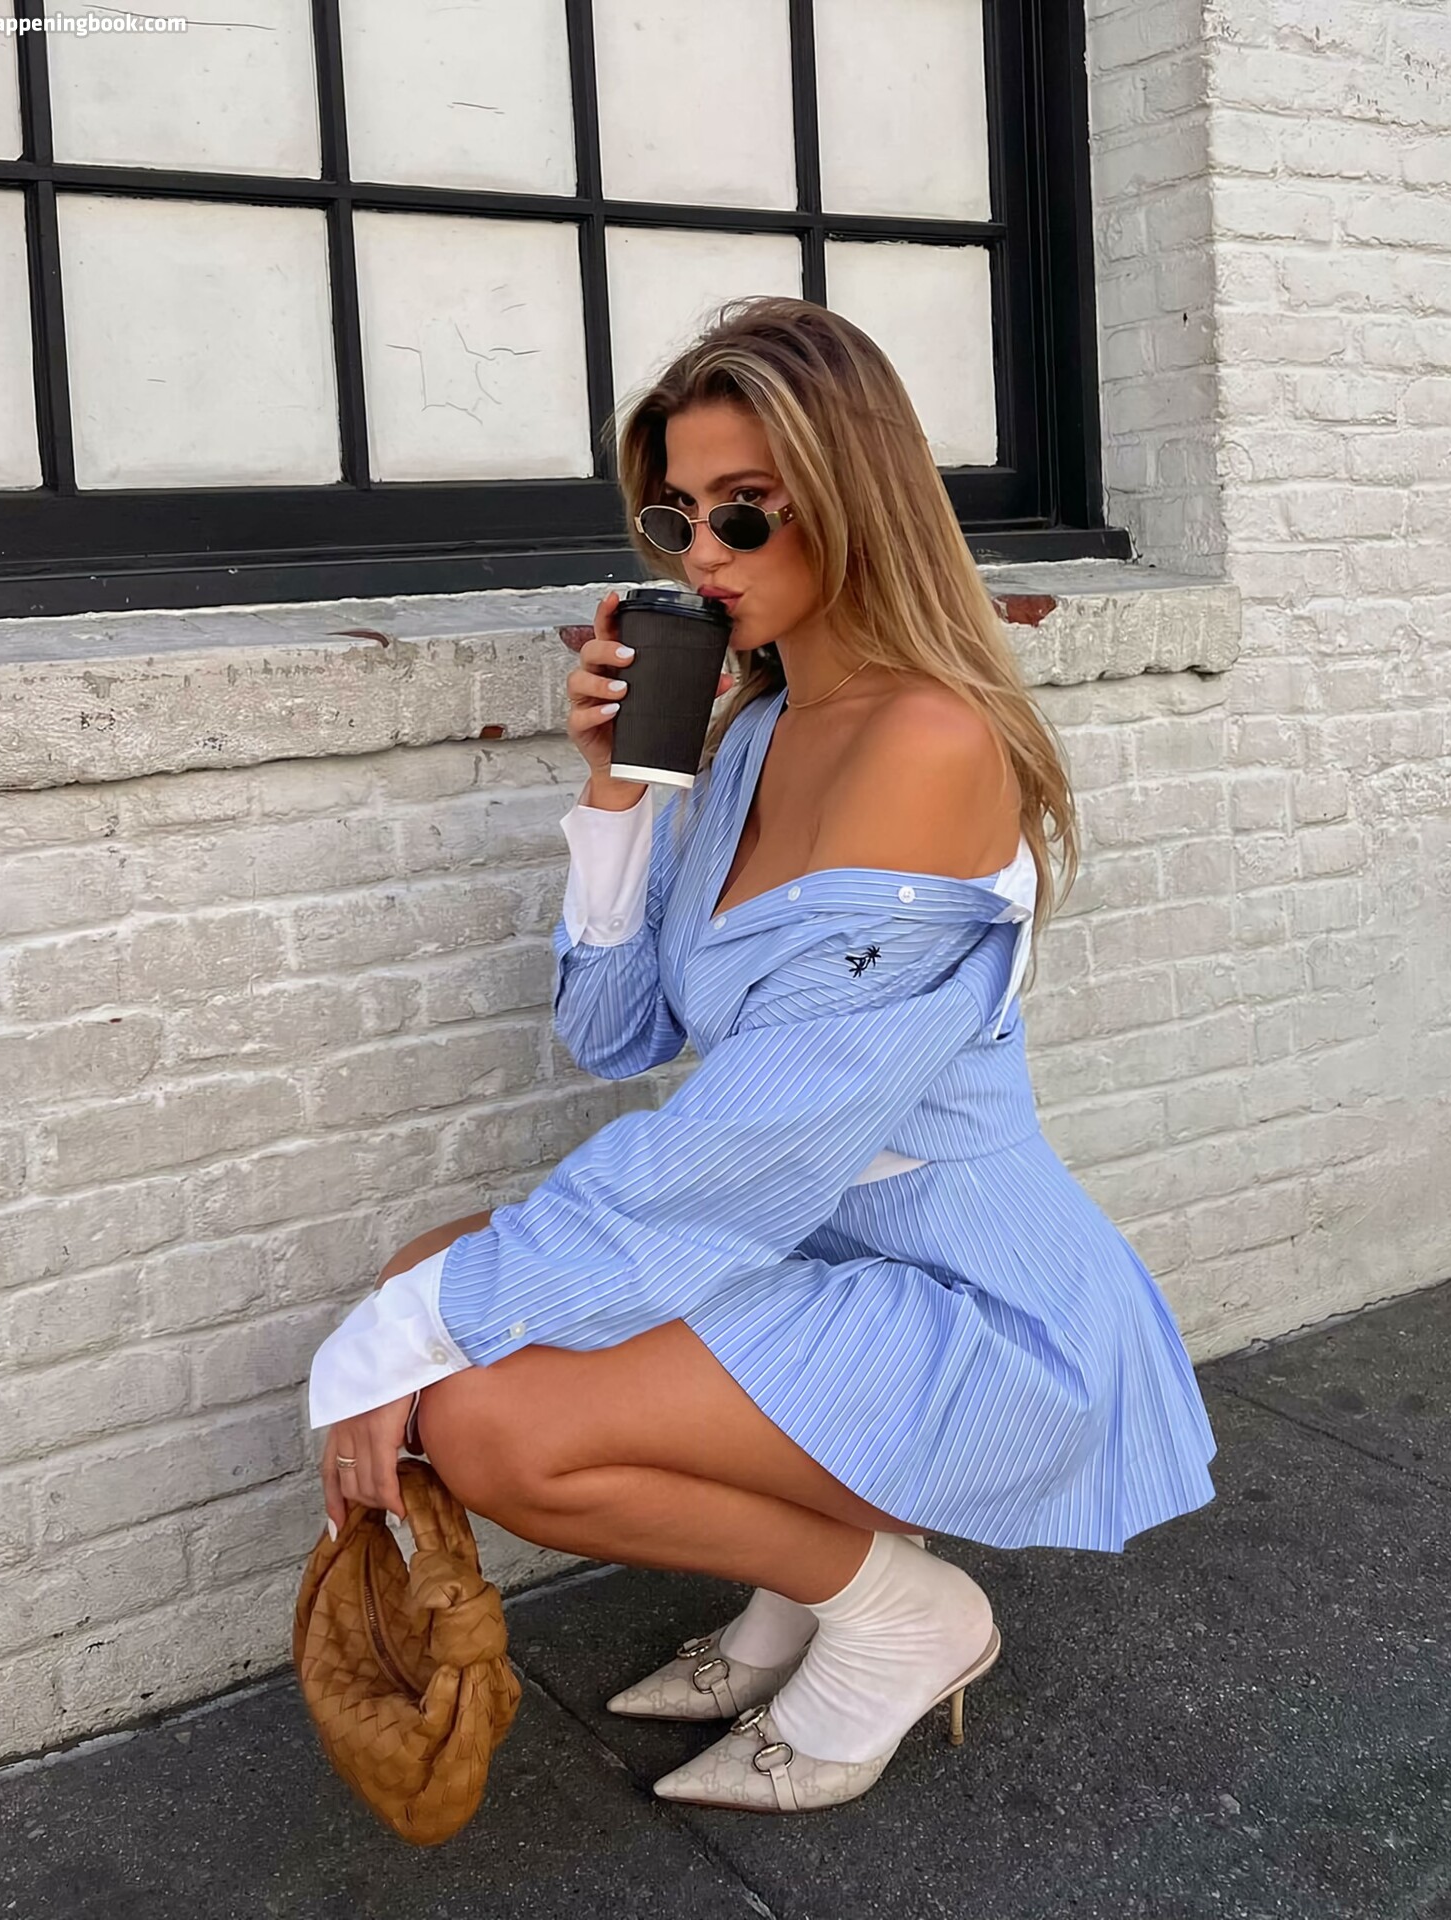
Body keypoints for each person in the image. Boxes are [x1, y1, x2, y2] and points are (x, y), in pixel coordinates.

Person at [307, 295, 1217, 1815]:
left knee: (481, 1417)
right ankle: (803, 1591)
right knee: (435, 1270)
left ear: (857, 499)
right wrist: (620, 798)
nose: (703, 559)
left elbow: (745, 1146)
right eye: (677, 518)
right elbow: (618, 1031)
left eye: (745, 511)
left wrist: (399, 1338)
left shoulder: (927, 742)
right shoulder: (757, 730)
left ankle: (900, 1614)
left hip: (976, 1302)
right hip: (813, 1244)